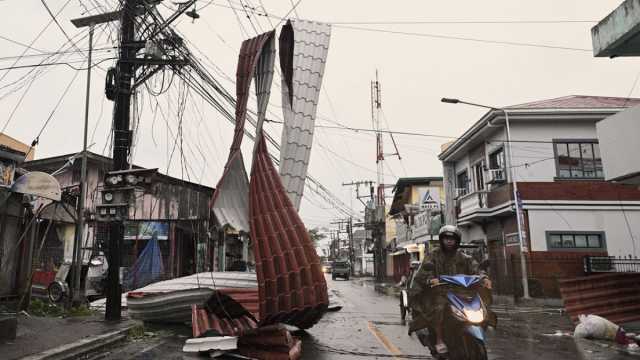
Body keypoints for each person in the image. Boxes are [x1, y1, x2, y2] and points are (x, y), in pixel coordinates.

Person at [408, 225, 491, 356]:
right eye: (446, 238)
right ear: (442, 240)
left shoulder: (464, 257)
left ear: (457, 241)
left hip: (461, 293)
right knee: (439, 307)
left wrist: (484, 278)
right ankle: (440, 339)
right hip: (440, 292)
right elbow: (424, 272)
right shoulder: (433, 255)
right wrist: (430, 279)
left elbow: (477, 269)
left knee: (481, 304)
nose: (449, 241)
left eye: (452, 239)